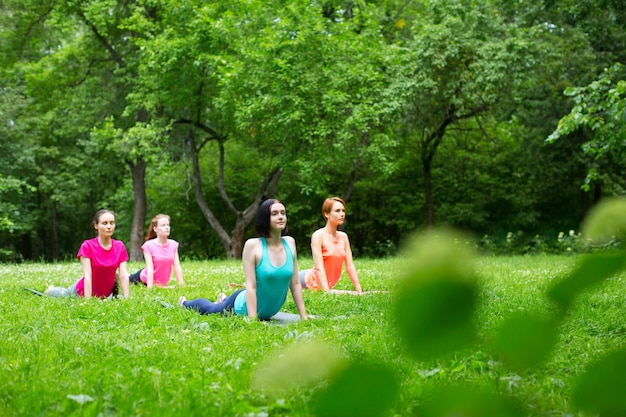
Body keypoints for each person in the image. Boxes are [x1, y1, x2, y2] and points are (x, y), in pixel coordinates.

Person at [178, 199, 308, 320]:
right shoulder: (253, 246)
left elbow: (295, 283)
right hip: (244, 307)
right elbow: (250, 285)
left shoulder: (290, 243)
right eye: (274, 214)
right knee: (212, 309)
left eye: (283, 213)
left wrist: (304, 316)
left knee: (221, 304)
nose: (280, 217)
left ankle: (223, 298)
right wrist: (253, 320)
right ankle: (184, 303)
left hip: (269, 310)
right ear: (265, 218)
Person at [45, 209, 130, 299]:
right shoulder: (88, 246)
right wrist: (88, 302)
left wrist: (127, 299)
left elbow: (123, 275)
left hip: (106, 295)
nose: (109, 226)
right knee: (63, 294)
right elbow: (87, 276)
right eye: (104, 223)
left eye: (112, 223)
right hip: (82, 292)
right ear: (96, 225)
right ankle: (50, 290)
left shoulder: (119, 246)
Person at [299, 196, 363, 294]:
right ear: (326, 214)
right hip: (307, 281)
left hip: (324, 283)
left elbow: (349, 265)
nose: (342, 214)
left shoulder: (343, 237)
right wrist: (326, 292)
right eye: (337, 211)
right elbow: (319, 267)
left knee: (353, 294)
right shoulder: (318, 236)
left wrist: (358, 288)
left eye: (343, 211)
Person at [128, 214, 184, 288]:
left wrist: (182, 285)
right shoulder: (149, 245)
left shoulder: (173, 244)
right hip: (144, 278)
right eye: (163, 225)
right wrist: (150, 288)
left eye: (168, 225)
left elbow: (177, 267)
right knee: (126, 279)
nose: (166, 227)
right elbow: (150, 269)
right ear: (155, 229)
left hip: (161, 282)